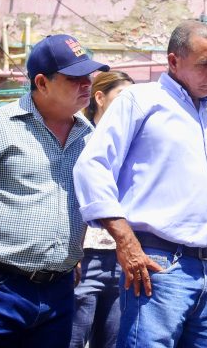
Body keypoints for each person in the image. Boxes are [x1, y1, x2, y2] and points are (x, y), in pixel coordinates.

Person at [0, 34, 109, 347]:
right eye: (76, 78)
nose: (87, 85)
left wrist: (71, 255)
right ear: (42, 83)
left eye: (89, 77)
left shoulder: (89, 136)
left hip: (59, 290)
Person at [73, 20, 207, 348]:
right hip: (159, 266)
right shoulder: (139, 100)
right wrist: (126, 241)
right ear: (174, 62)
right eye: (204, 64)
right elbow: (92, 166)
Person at [71, 71, 135, 348]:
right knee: (71, 339)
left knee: (112, 342)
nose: (129, 105)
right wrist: (72, 251)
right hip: (84, 258)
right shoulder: (79, 140)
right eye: (122, 97)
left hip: (122, 260)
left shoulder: (133, 145)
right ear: (99, 98)